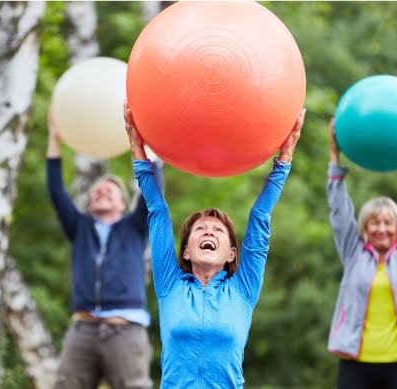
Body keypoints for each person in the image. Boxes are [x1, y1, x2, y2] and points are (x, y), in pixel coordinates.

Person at [125, 101, 305, 388]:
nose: (209, 233)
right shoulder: (170, 284)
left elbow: (260, 216)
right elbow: (157, 211)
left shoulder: (243, 289)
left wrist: (283, 161)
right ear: (185, 249)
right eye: (200, 229)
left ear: (232, 253)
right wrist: (138, 150)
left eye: (218, 231)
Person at [46, 111, 158, 389]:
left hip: (126, 331)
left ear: (123, 203)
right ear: (89, 203)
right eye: (97, 191)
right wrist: (54, 139)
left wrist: (145, 146)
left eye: (111, 190)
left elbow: (152, 190)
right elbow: (57, 192)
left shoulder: (135, 227)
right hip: (82, 330)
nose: (102, 192)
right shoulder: (79, 227)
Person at [326, 117, 397, 389]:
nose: (381, 228)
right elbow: (340, 212)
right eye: (374, 222)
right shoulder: (354, 253)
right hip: (355, 363)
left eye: (388, 222)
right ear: (364, 227)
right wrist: (334, 156)